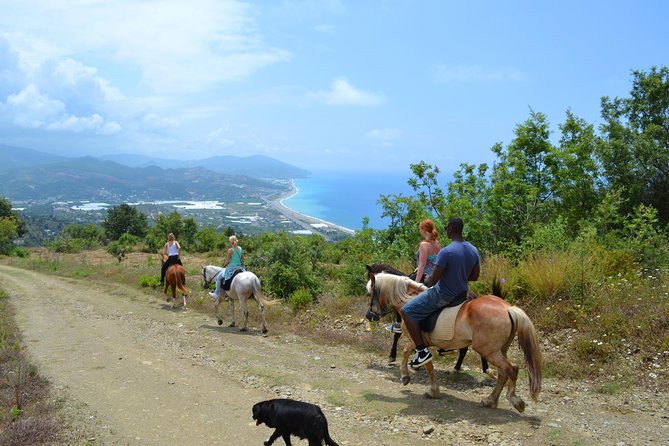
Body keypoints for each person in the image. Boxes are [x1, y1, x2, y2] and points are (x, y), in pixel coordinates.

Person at [400, 217, 480, 369]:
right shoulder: (473, 250)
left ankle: (422, 351)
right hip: (462, 294)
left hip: (443, 294)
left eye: (447, 228)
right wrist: (459, 275)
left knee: (407, 311)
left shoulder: (447, 251)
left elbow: (432, 281)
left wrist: (424, 281)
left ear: (450, 229)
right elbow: (475, 276)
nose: (445, 230)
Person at [386, 219, 441, 334]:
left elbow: (422, 266)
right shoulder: (437, 243)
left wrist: (415, 284)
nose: (419, 231)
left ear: (424, 230)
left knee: (398, 292)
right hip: (434, 277)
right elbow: (434, 262)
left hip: (423, 276)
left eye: (420, 229)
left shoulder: (424, 245)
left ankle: (399, 323)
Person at [209, 235, 245, 301]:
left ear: (230, 242)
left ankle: (216, 293)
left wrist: (224, 265)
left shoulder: (230, 250)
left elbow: (228, 261)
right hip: (240, 267)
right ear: (236, 240)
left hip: (231, 268)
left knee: (218, 278)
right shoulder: (240, 248)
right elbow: (243, 259)